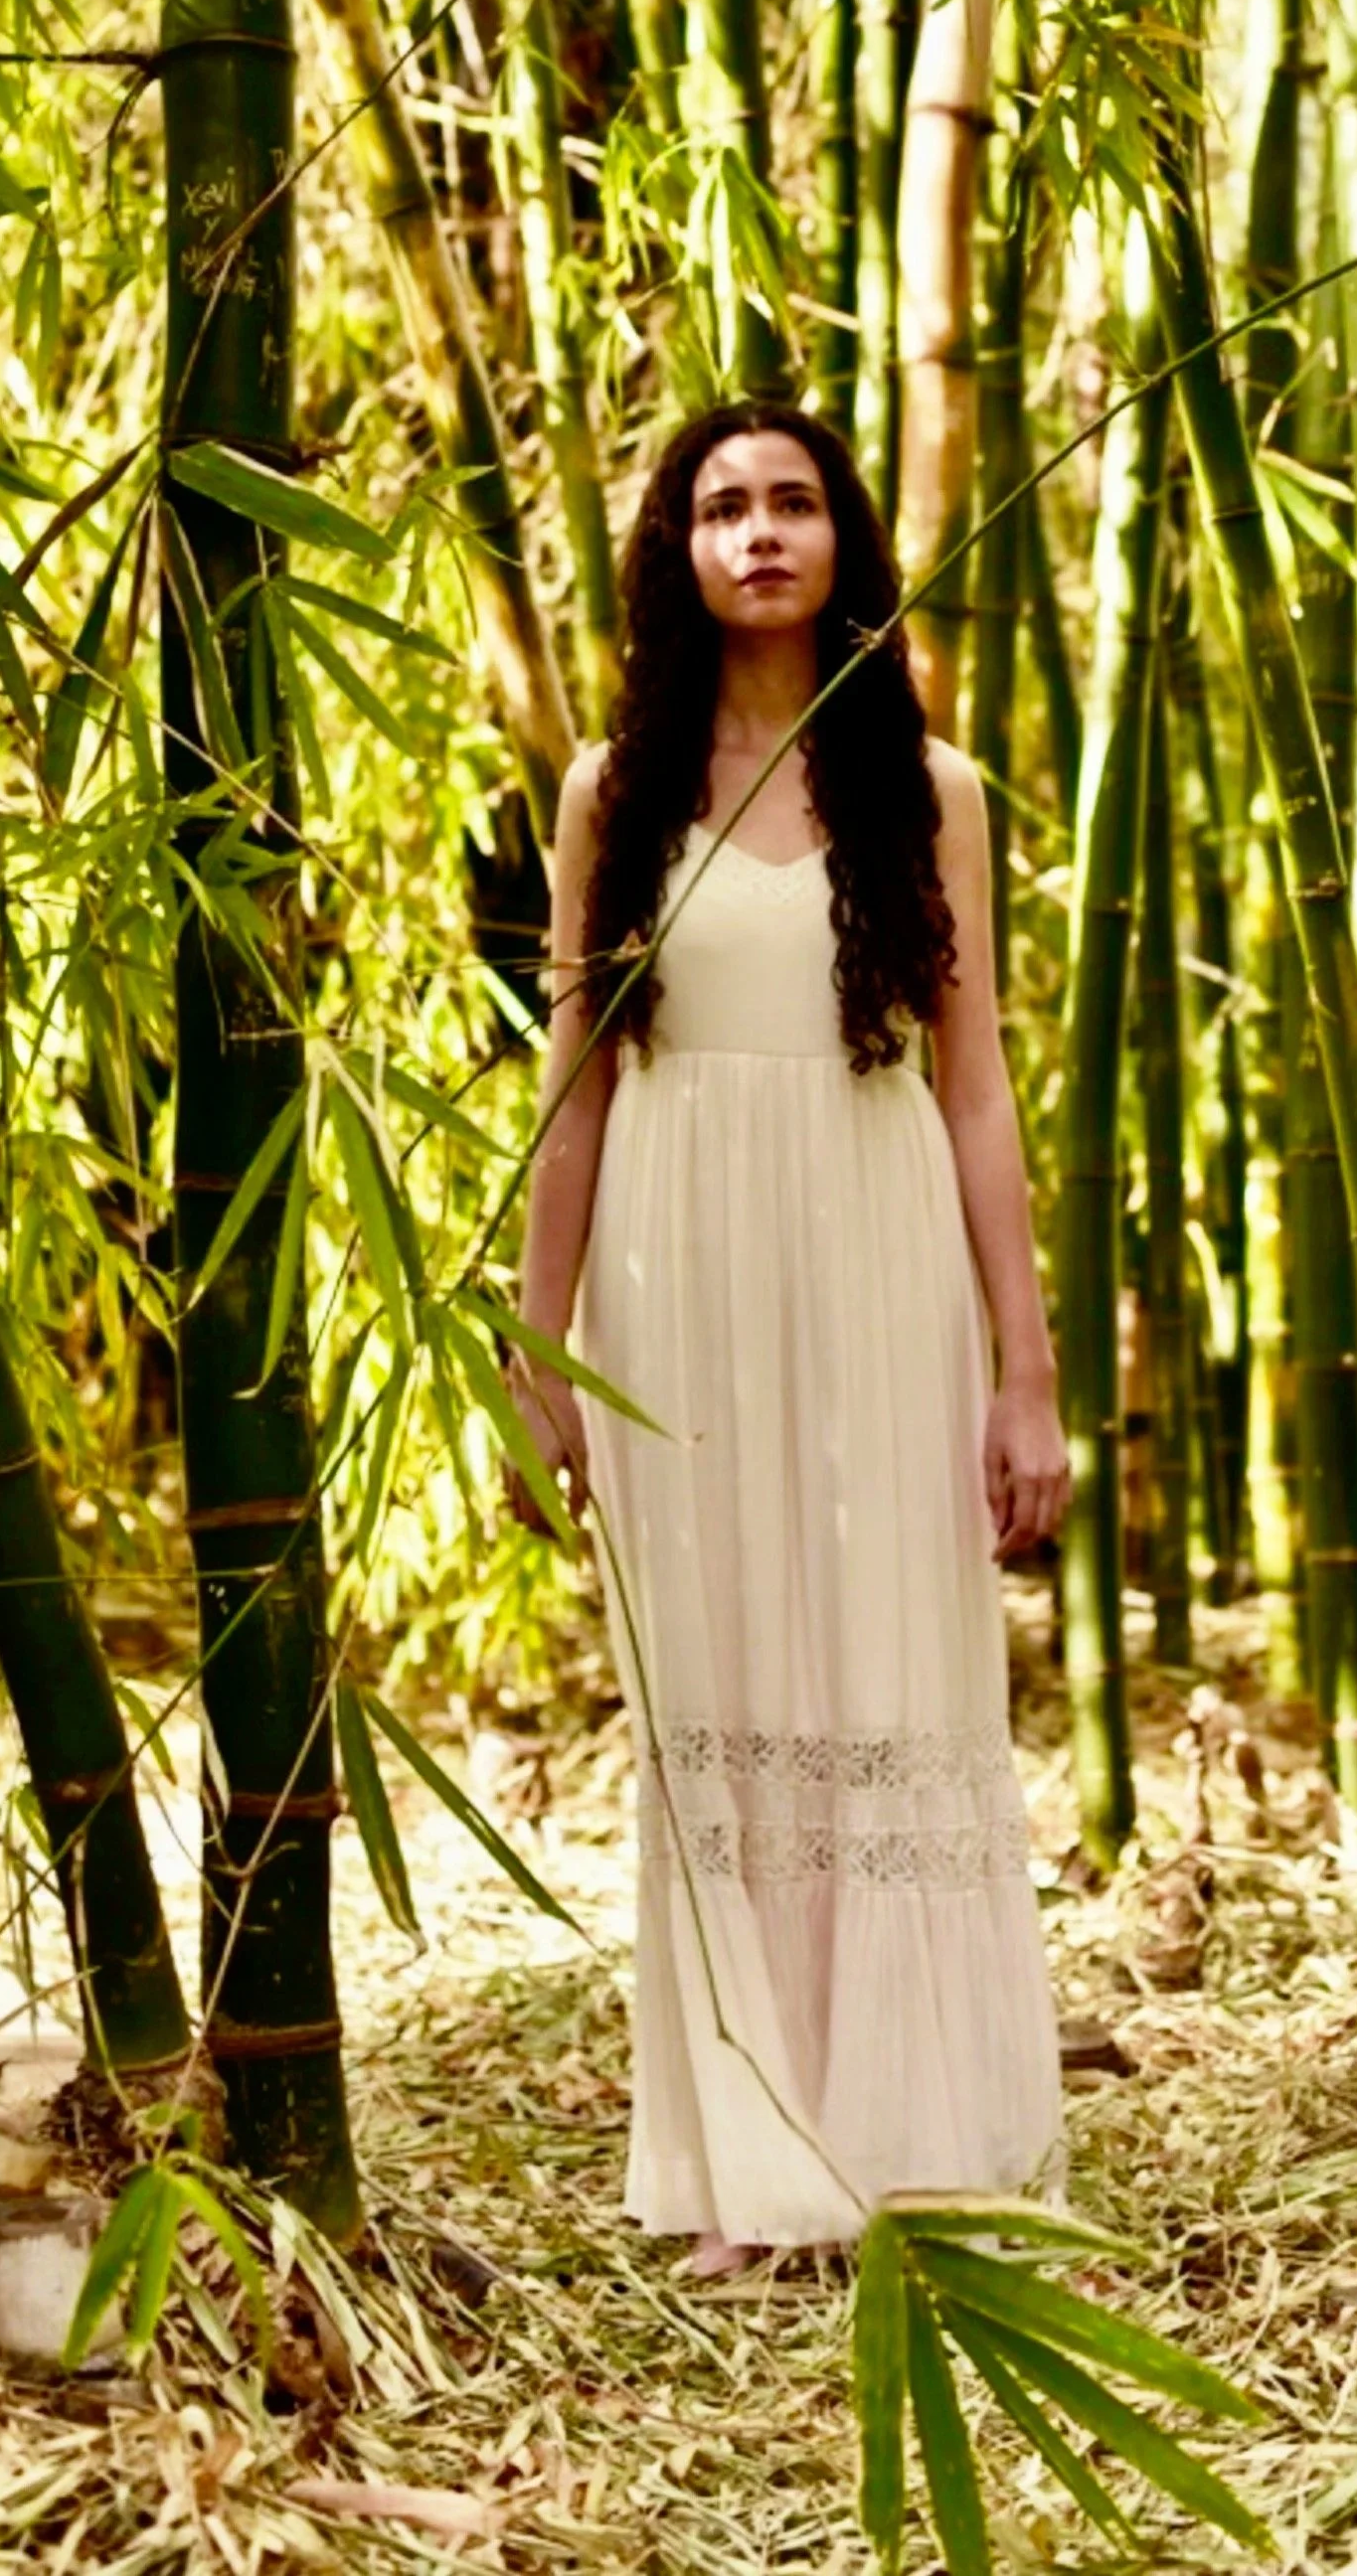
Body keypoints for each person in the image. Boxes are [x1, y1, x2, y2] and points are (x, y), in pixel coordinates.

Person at [504, 400, 1070, 2276]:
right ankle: (749, 2159)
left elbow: (978, 1091)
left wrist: (1026, 1373)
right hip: (677, 1273)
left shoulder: (934, 790)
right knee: (725, 1688)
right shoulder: (616, 792)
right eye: (724, 505)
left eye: (794, 501)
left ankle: (909, 2143)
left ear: (846, 540)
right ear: (677, 548)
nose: (760, 532)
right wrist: (536, 1354)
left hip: (873, 1233)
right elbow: (575, 1090)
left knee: (887, 1665)